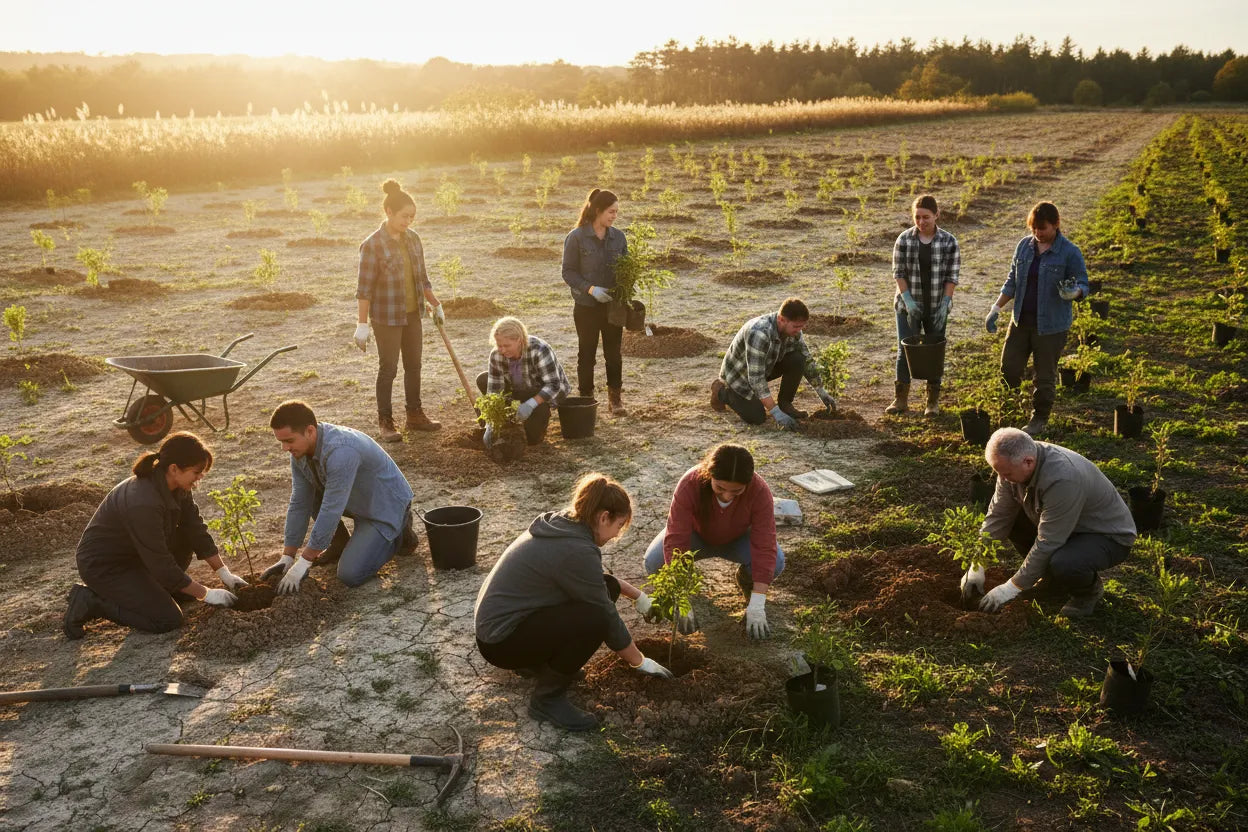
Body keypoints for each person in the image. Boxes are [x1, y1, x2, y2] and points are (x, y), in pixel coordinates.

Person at [475, 473, 674, 731]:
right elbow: (605, 614)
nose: (616, 534)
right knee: (596, 618)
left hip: (502, 628)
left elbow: (598, 581)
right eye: (619, 525)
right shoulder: (574, 549)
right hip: (501, 642)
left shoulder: (565, 526)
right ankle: (547, 699)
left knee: (606, 591)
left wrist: (639, 597)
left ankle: (540, 665)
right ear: (604, 517)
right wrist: (639, 661)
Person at [63, 432, 244, 639]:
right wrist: (205, 593)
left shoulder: (177, 484)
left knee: (186, 537)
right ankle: (92, 601)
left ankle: (159, 589)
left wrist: (224, 574)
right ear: (174, 468)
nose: (200, 478)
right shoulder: (143, 502)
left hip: (138, 555)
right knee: (167, 619)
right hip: (106, 566)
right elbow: (159, 562)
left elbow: (194, 527)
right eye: (196, 472)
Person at [963, 428, 1136, 618]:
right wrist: (977, 565)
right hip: (1063, 525)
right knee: (1012, 522)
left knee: (1065, 562)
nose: (1003, 479)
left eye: (1007, 474)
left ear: (1028, 462)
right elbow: (998, 516)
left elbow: (1049, 541)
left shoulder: (1063, 479)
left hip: (1103, 535)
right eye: (999, 473)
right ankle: (1052, 581)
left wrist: (1012, 587)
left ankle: (1087, 593)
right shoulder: (1012, 466)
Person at [262, 400, 417, 592]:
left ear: (310, 431)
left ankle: (400, 532)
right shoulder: (300, 452)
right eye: (281, 442)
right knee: (311, 495)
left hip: (384, 506)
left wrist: (306, 560)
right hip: (356, 500)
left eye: (289, 441)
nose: (285, 448)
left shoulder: (341, 451)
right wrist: (288, 556)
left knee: (350, 575)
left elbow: (331, 509)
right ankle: (339, 542)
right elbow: (300, 502)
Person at [643, 444, 782, 639]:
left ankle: (746, 580)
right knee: (654, 562)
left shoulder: (759, 491)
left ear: (748, 483)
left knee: (776, 562)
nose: (727, 495)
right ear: (709, 475)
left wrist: (758, 602)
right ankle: (681, 591)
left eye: (736, 491)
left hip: (737, 539)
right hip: (696, 536)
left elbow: (765, 543)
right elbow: (677, 537)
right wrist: (680, 594)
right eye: (720, 488)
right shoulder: (690, 483)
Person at [984, 201, 1089, 437]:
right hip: (1021, 320)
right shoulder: (1024, 247)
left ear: (1056, 225)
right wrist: (996, 308)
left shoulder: (1069, 252)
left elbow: (1083, 282)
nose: (1038, 234)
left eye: (1042, 229)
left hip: (1051, 326)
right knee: (1009, 367)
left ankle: (1039, 418)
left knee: (1044, 375)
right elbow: (1012, 280)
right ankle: (1008, 407)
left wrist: (1076, 292)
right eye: (1034, 229)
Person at [353, 179, 446, 442]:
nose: (409, 222)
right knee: (389, 368)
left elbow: (423, 278)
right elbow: (364, 289)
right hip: (386, 318)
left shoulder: (413, 240)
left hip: (413, 313)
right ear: (389, 212)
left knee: (414, 365)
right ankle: (385, 421)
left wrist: (435, 304)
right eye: (405, 216)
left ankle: (415, 415)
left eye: (412, 217)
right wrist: (362, 324)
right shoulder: (372, 245)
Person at [710, 297, 837, 430]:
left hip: (764, 367)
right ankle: (721, 391)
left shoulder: (794, 332)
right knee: (757, 418)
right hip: (740, 377)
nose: (799, 331)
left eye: (801, 327)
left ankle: (785, 404)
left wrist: (821, 391)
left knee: (798, 359)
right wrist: (776, 413)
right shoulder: (759, 333)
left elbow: (807, 359)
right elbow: (756, 379)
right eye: (796, 326)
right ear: (782, 319)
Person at [887, 194, 960, 416]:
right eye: (917, 217)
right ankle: (900, 400)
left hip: (937, 305)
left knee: (934, 352)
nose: (921, 222)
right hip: (908, 304)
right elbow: (898, 272)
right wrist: (908, 300)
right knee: (904, 350)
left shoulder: (949, 242)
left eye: (926, 217)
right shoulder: (904, 240)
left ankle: (932, 402)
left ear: (936, 215)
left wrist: (945, 302)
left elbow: (952, 275)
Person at [561, 188, 628, 415]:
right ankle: (587, 399)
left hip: (612, 306)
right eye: (611, 211)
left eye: (617, 212)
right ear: (598, 210)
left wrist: (626, 289)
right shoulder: (576, 238)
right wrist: (590, 289)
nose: (614, 216)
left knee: (613, 354)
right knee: (587, 354)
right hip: (586, 307)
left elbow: (626, 269)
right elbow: (568, 272)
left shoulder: (618, 237)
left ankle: (615, 400)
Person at [475, 316, 571, 448]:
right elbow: (495, 391)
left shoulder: (539, 350)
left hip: (541, 391)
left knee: (531, 440)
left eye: (507, 345)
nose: (502, 350)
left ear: (519, 340)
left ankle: (541, 412)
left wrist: (530, 405)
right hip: (517, 391)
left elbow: (554, 385)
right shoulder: (496, 355)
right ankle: (509, 416)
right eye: (499, 345)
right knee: (483, 379)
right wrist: (491, 424)